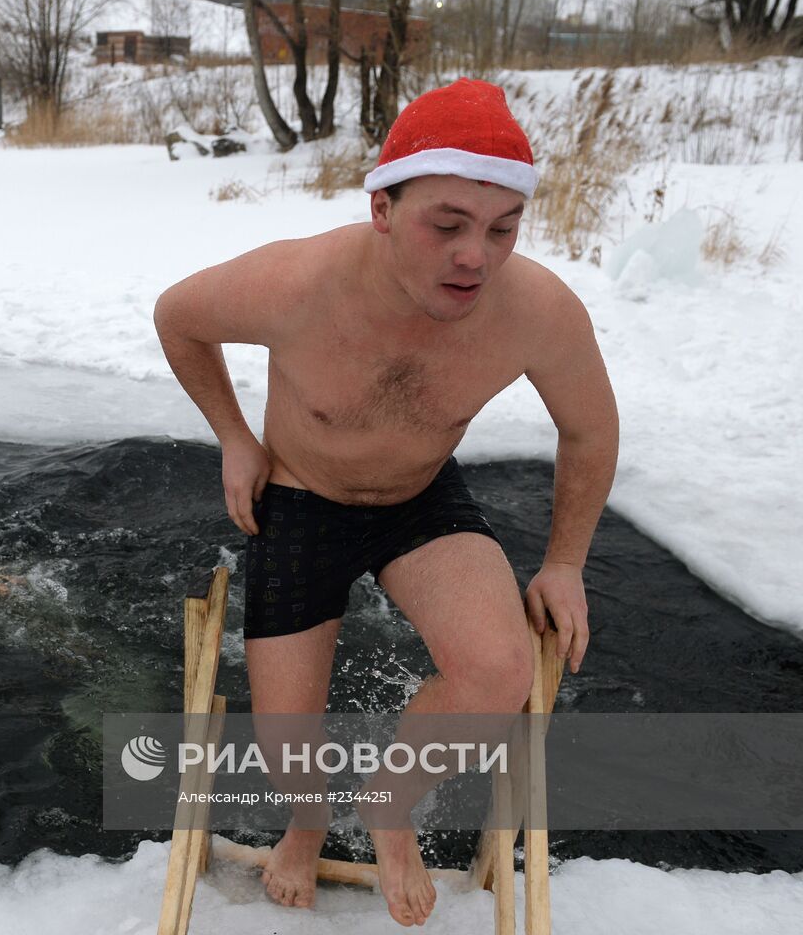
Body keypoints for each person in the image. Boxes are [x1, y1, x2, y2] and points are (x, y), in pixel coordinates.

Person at [153, 79, 618, 926]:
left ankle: (389, 802)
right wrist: (234, 437)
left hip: (419, 499)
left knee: (500, 671)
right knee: (289, 752)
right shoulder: (296, 283)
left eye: (502, 229)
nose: (476, 255)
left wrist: (565, 561)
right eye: (447, 225)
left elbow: (590, 430)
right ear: (382, 207)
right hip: (299, 496)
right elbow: (177, 316)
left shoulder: (535, 311)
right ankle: (308, 816)